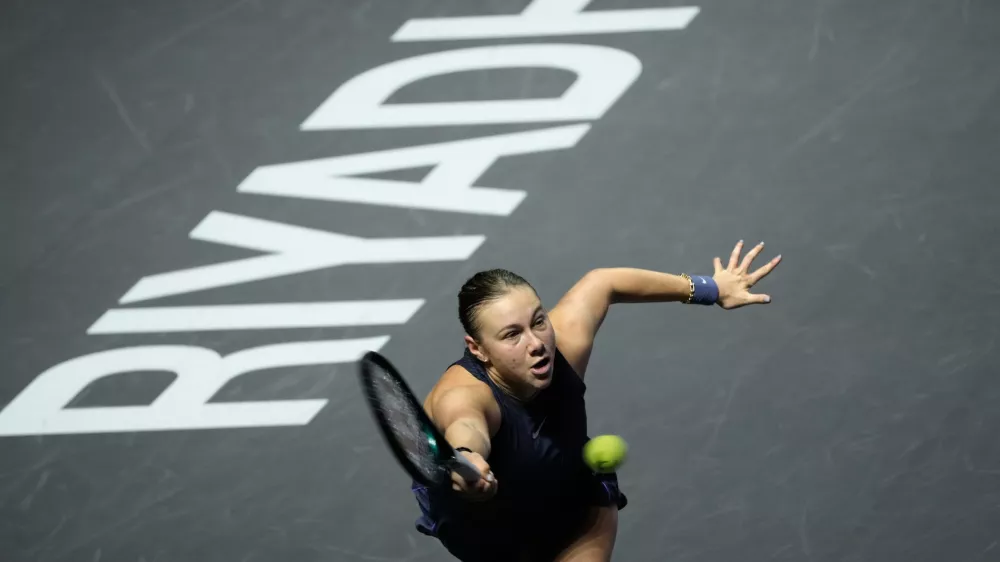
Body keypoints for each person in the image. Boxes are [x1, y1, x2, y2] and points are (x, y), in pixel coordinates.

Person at [411, 240, 781, 561]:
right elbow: (465, 425)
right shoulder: (463, 395)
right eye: (512, 335)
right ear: (478, 349)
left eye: (538, 321)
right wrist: (468, 458)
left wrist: (711, 289)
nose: (537, 343)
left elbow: (604, 282)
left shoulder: (564, 347)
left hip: (571, 505)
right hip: (489, 539)